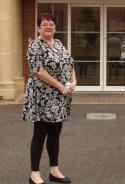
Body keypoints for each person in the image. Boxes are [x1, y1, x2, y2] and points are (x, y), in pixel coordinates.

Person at [22, 12, 76, 184]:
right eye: (45, 24)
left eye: (51, 24)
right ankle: (34, 174)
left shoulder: (59, 43)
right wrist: (61, 86)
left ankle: (54, 170)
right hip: (41, 97)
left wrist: (73, 81)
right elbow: (38, 71)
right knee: (40, 134)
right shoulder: (35, 45)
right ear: (39, 27)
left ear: (55, 27)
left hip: (59, 98)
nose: (48, 26)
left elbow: (70, 63)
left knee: (55, 134)